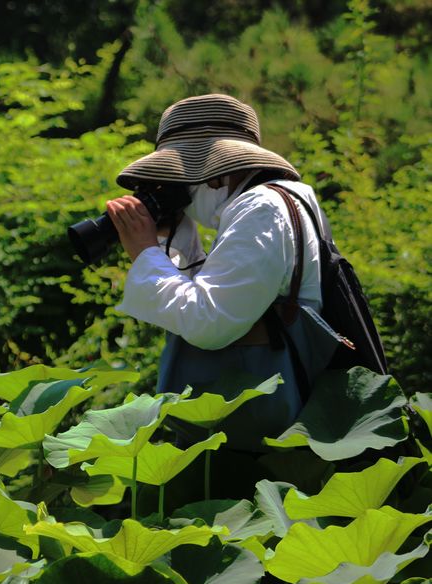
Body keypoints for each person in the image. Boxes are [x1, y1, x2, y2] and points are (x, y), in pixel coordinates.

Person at [105, 93, 341, 451]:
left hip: (259, 432)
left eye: (179, 178)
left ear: (216, 173)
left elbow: (209, 323)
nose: (178, 192)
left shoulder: (261, 210)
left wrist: (144, 251)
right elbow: (225, 296)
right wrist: (179, 240)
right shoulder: (283, 199)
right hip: (276, 420)